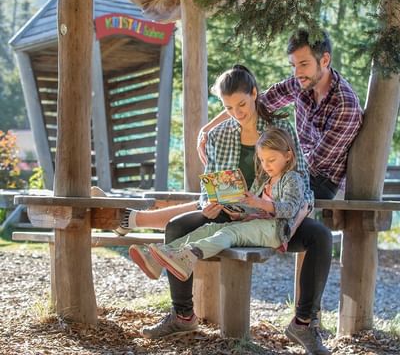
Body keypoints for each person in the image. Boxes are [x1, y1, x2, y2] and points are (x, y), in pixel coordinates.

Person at [121, 65, 332, 355]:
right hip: (226, 214)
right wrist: (208, 204)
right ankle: (182, 315)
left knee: (321, 236)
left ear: (255, 94)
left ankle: (304, 324)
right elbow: (210, 185)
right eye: (228, 107)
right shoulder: (219, 135)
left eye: (242, 104)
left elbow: (303, 181)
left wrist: (281, 210)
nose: (237, 113)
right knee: (176, 227)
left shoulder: (281, 130)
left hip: (271, 217)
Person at [197, 29, 363, 199]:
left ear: (325, 60)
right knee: (222, 198)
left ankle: (231, 203)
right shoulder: (302, 81)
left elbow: (314, 165)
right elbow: (256, 103)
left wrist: (271, 167)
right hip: (291, 165)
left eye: (304, 64)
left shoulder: (344, 105)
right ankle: (218, 204)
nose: (297, 73)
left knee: (243, 190)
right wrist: (208, 129)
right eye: (294, 66)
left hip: (319, 181)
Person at [130, 127, 307, 282]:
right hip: (255, 224)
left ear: (288, 155)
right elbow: (257, 210)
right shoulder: (266, 179)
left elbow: (290, 209)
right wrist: (238, 211)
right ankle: (161, 256)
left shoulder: (292, 178)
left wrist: (259, 202)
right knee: (210, 228)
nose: (266, 165)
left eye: (271, 160)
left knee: (228, 232)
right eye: (262, 160)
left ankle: (189, 256)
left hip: (275, 230)